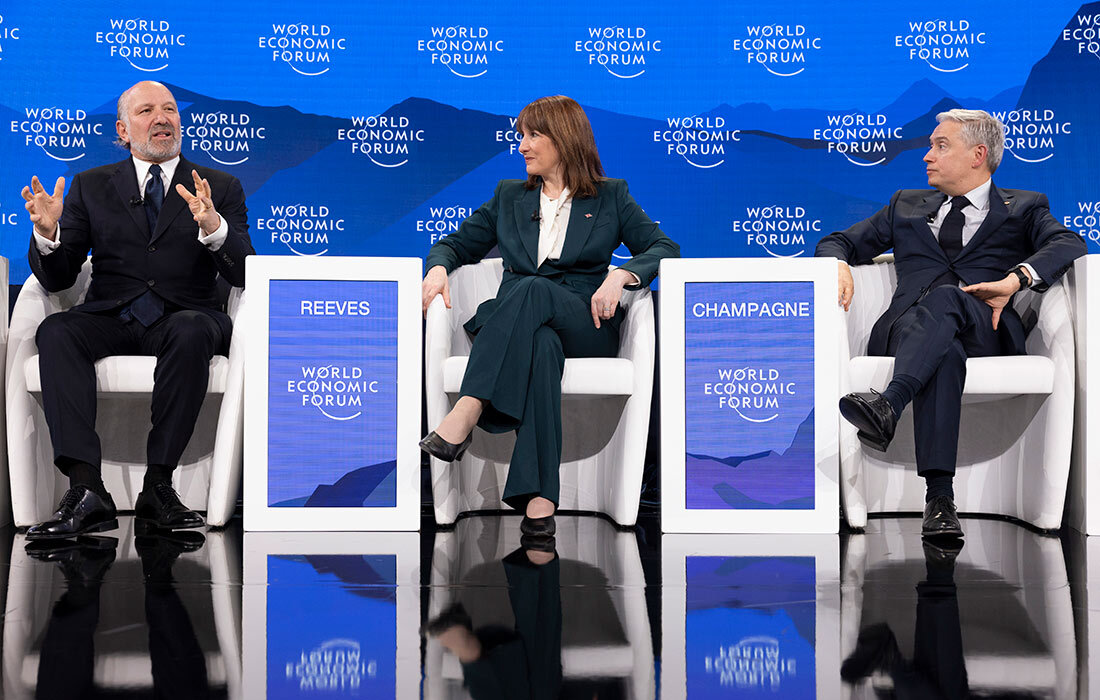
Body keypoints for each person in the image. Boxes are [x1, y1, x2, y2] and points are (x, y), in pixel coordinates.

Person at [815, 108, 1085, 539]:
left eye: (941, 146)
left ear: (978, 155)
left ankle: (890, 403)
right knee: (945, 351)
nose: (927, 156)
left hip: (986, 328)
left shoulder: (1025, 206)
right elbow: (838, 241)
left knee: (948, 300)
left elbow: (1068, 242)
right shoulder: (905, 205)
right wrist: (837, 266)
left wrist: (1014, 280)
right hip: (907, 332)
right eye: (930, 146)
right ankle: (940, 498)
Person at [419, 95, 679, 535]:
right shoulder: (509, 197)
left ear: (565, 138)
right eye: (521, 135)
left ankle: (469, 406)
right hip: (521, 328)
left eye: (533, 135)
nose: (522, 145)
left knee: (534, 287)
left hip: (585, 323)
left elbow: (665, 248)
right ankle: (539, 501)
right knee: (541, 346)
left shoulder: (611, 196)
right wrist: (439, 267)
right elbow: (454, 244)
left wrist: (622, 276)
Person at [20, 80, 254, 540]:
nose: (162, 118)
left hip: (186, 314)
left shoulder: (220, 186)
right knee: (57, 331)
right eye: (146, 111)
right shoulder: (91, 185)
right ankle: (86, 489)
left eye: (170, 109)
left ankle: (158, 487)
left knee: (191, 330)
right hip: (111, 315)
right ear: (123, 131)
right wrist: (48, 236)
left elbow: (245, 271)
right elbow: (59, 279)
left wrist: (214, 227)